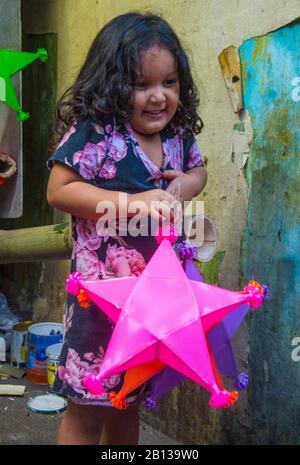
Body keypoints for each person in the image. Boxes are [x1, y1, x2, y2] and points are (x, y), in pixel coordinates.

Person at [46, 11, 207, 445]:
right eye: (142, 85)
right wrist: (130, 202)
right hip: (100, 304)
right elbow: (59, 190)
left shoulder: (177, 136)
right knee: (87, 406)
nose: (158, 97)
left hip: (154, 301)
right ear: (113, 84)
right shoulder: (97, 135)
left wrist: (186, 185)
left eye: (169, 83)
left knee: (127, 399)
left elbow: (199, 171)